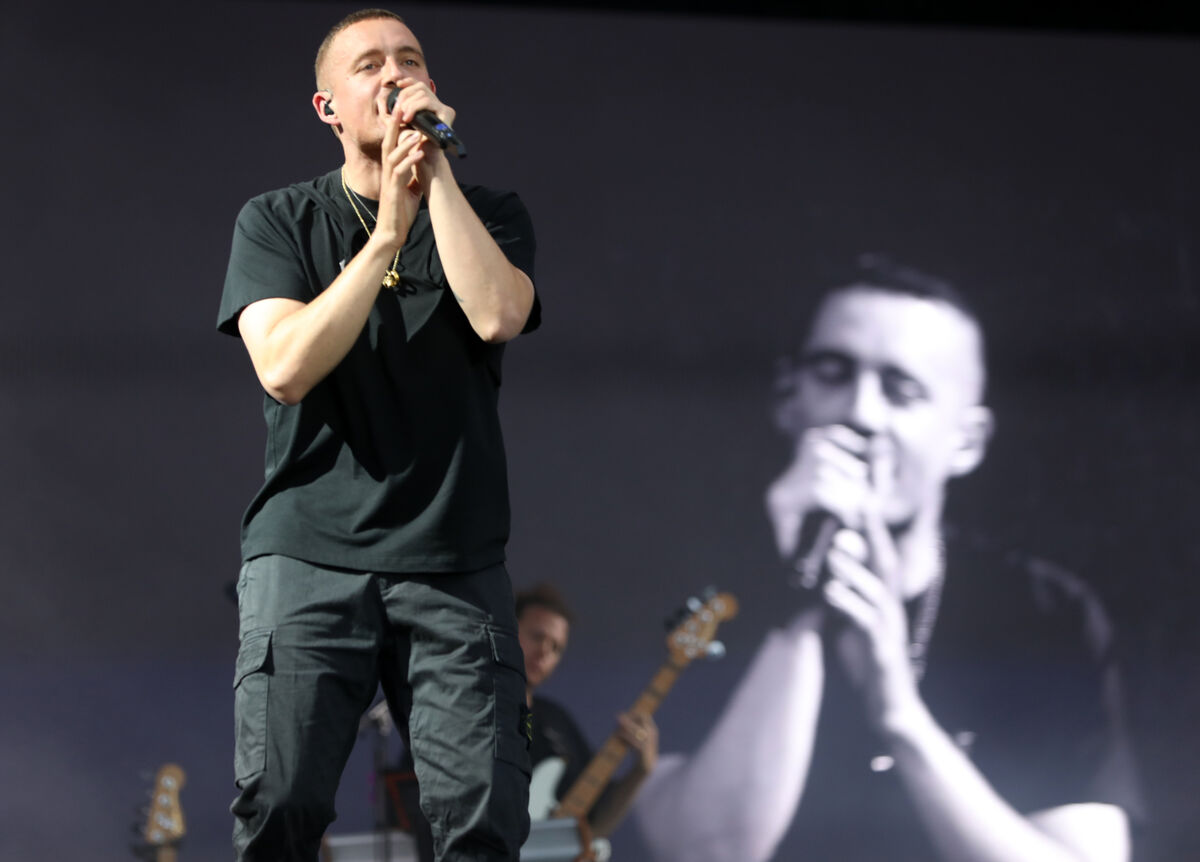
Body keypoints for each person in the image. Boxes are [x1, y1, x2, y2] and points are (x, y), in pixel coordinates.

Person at [634, 259, 1142, 862]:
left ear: (967, 442)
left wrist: (899, 713)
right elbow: (705, 851)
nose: (862, 414)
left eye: (902, 391)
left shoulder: (1043, 613)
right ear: (788, 401)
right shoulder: (693, 597)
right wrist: (799, 605)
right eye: (832, 374)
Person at [215, 8, 539, 861]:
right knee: (280, 806)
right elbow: (283, 366)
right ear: (328, 107)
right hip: (309, 556)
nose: (394, 74)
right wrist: (387, 231)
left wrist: (432, 184)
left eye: (411, 59)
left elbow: (499, 313)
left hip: (454, 561)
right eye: (369, 65)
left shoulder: (490, 212)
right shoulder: (278, 221)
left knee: (482, 818)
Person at [516, 584, 659, 841]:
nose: (545, 652)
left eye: (556, 647)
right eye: (537, 637)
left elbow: (594, 826)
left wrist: (642, 769)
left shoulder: (556, 721)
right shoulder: (463, 707)